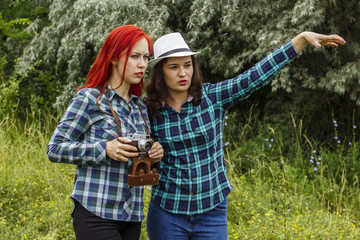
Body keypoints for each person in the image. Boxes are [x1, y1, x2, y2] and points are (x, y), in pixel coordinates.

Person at [144, 31, 345, 239]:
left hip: (211, 212)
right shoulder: (148, 110)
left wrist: (300, 40)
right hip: (167, 213)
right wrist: (153, 157)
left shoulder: (212, 97)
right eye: (173, 67)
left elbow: (254, 77)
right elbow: (143, 162)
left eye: (187, 65)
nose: (183, 73)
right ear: (160, 72)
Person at [47, 25, 164, 240]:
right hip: (96, 212)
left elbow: (141, 158)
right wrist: (105, 149)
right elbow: (55, 149)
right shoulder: (90, 99)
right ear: (114, 57)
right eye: (135, 56)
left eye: (146, 57)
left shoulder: (140, 107)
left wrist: (155, 154)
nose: (142, 64)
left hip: (132, 215)